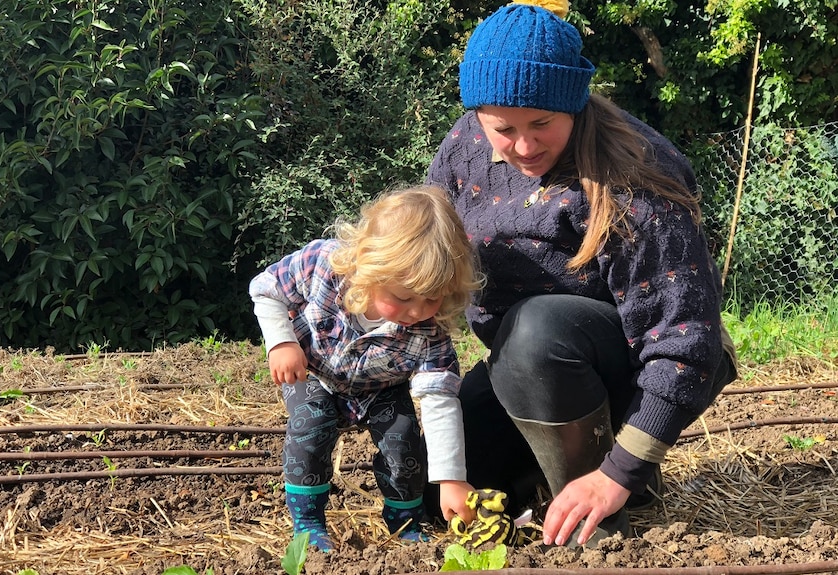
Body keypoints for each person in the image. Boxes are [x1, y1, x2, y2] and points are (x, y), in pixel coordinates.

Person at [424, 0, 739, 549]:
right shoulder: (465, 146)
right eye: (504, 128)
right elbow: (429, 255)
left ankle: (606, 501)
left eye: (542, 124)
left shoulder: (636, 172)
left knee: (535, 330)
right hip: (525, 369)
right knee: (440, 490)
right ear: (478, 116)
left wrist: (616, 476)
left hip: (640, 361)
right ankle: (560, 474)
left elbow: (685, 342)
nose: (524, 146)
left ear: (573, 103)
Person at [248, 185, 483, 551]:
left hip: (381, 389)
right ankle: (308, 522)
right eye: (403, 297)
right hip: (315, 374)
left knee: (403, 438)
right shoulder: (323, 266)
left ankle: (404, 520)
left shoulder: (430, 335)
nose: (418, 311)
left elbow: (439, 404)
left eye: (432, 298)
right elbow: (266, 288)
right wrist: (282, 343)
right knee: (311, 427)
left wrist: (451, 479)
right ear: (368, 269)